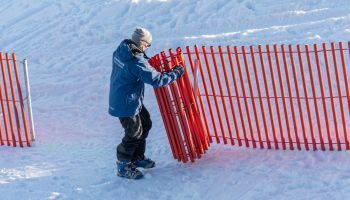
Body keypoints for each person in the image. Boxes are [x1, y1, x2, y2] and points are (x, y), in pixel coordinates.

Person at [109, 27, 185, 179]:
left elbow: (139, 62)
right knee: (134, 134)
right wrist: (176, 72)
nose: (147, 48)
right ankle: (123, 165)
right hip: (126, 103)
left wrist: (147, 61)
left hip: (127, 98)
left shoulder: (122, 50)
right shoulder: (136, 62)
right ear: (142, 43)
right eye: (148, 45)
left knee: (146, 123)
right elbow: (156, 80)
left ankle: (137, 157)